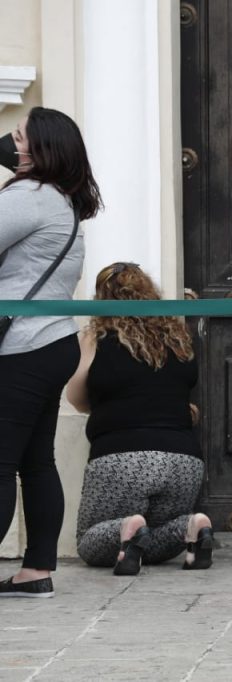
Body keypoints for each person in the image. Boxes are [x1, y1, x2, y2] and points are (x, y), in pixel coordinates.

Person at [0, 108, 102, 598]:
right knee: (35, 461)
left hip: (21, 345)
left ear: (37, 150)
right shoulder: (62, 203)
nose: (8, 142)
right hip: (54, 340)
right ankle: (36, 568)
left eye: (17, 137)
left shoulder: (29, 197)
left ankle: (35, 568)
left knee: (2, 461)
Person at [64, 263, 213, 575]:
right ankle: (192, 526)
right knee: (148, 541)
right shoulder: (177, 338)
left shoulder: (96, 337)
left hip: (122, 459)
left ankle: (125, 528)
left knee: (89, 543)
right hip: (184, 461)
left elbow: (76, 399)